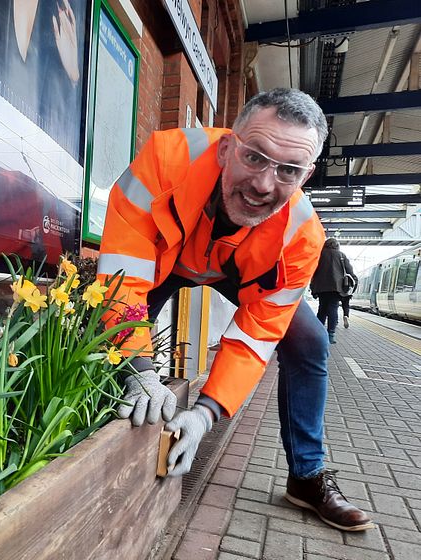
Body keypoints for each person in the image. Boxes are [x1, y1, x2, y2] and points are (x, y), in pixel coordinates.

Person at [97, 88, 374, 532]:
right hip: (166, 258)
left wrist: (206, 413)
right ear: (227, 147)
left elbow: (256, 335)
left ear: (306, 176)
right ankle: (95, 423)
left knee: (309, 341)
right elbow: (122, 282)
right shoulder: (165, 161)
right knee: (110, 340)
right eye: (255, 157)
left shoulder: (302, 238)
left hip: (236, 272)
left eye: (288, 170)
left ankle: (306, 476)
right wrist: (141, 369)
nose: (264, 184)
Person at [310, 238, 358, 342]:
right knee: (333, 309)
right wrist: (353, 284)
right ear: (337, 245)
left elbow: (312, 271)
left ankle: (318, 333)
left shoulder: (319, 255)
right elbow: (349, 271)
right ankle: (330, 335)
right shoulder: (341, 255)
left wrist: (312, 286)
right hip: (336, 287)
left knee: (322, 309)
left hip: (321, 287)